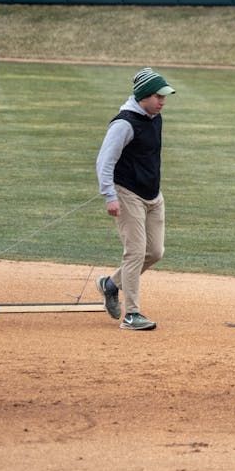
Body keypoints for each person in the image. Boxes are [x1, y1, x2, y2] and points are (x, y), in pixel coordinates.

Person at [94, 68, 175, 331]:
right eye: (157, 96)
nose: (162, 101)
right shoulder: (124, 124)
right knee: (136, 253)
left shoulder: (154, 117)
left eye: (164, 97)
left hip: (153, 196)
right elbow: (104, 161)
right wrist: (110, 195)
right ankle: (132, 315)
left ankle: (110, 284)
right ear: (143, 96)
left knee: (154, 252)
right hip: (128, 194)